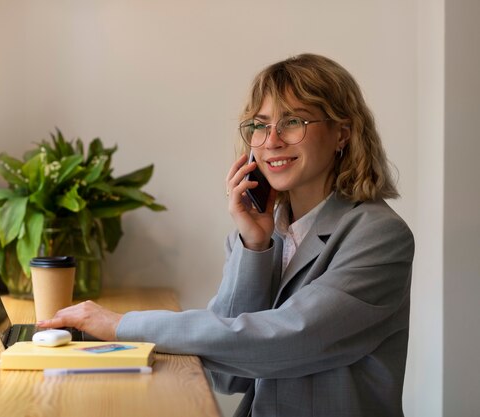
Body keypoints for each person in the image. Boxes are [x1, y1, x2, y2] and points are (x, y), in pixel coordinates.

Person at [37, 53, 415, 417]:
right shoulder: (268, 232)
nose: (271, 141)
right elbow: (227, 374)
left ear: (342, 134)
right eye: (260, 125)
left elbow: (286, 339)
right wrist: (253, 245)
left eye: (293, 121)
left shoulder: (378, 236)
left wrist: (122, 325)